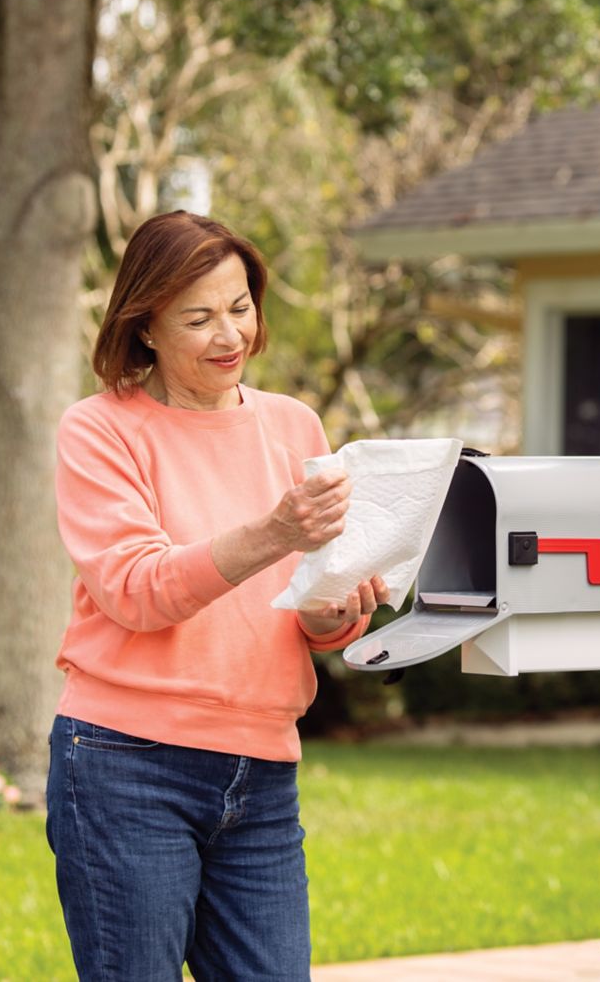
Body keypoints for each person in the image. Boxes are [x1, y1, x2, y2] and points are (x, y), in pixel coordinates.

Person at [45, 210, 387, 981]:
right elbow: (136, 591)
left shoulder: (294, 425)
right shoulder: (100, 430)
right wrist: (273, 532)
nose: (229, 334)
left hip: (261, 768)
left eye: (239, 307)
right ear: (146, 328)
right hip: (124, 765)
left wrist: (333, 610)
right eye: (197, 317)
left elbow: (307, 604)